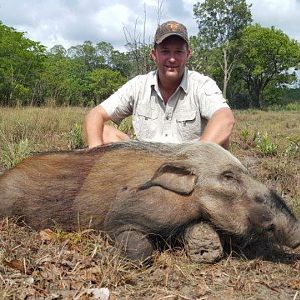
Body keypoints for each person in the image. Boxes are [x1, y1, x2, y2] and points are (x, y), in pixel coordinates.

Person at [85, 21, 235, 149]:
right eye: (165, 51)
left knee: (221, 140)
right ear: (154, 55)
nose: (171, 59)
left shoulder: (202, 84)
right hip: (147, 162)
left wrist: (196, 158)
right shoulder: (138, 85)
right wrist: (95, 155)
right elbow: (95, 114)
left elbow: (225, 118)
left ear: (188, 54)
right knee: (103, 132)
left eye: (178, 52)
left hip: (189, 164)